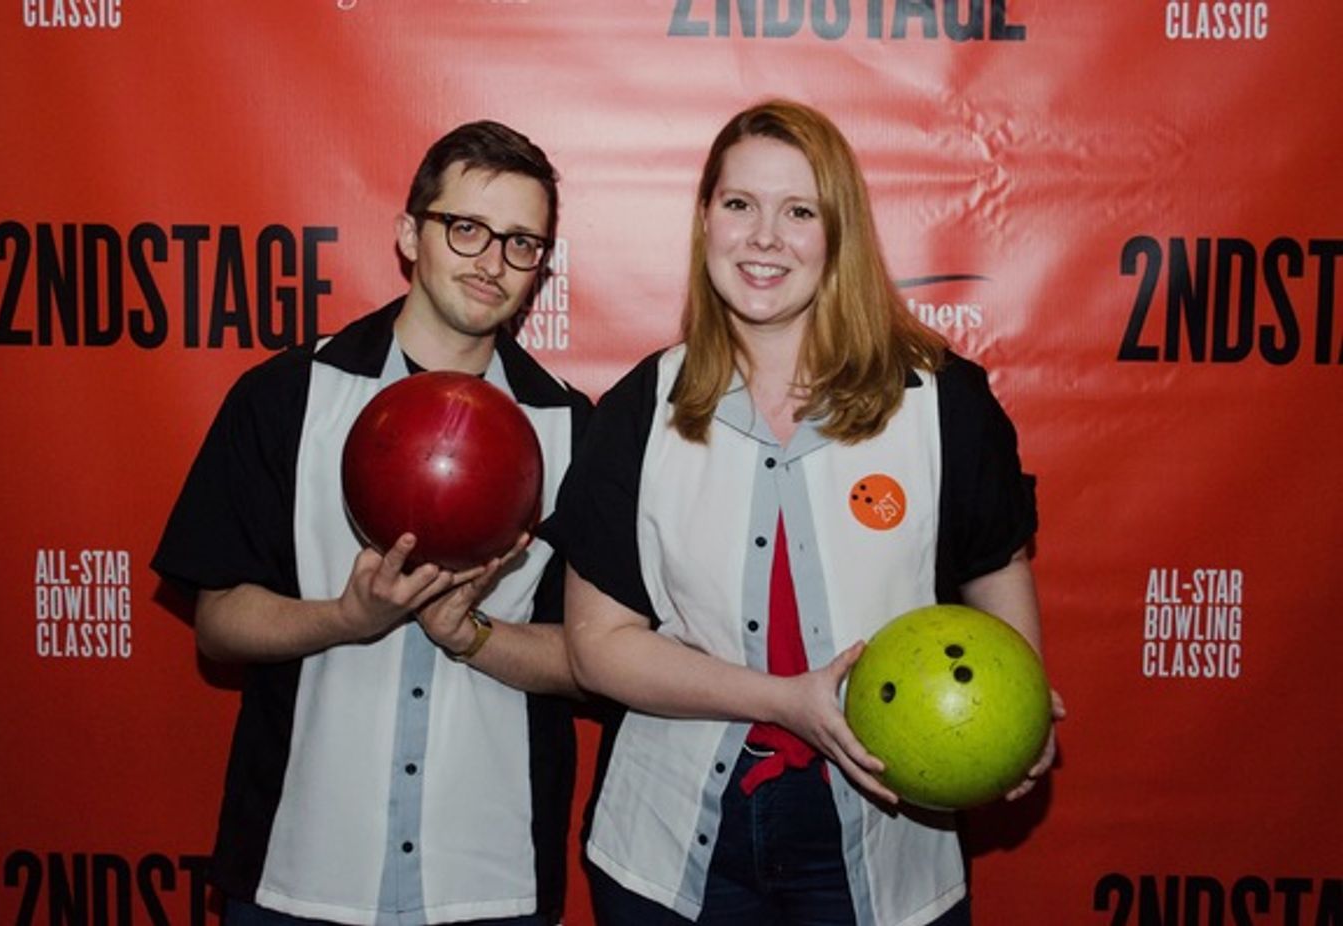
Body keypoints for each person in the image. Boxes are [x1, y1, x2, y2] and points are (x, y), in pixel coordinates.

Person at [552, 100, 1065, 925]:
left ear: (840, 234)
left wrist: (1021, 707)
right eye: (739, 205)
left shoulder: (943, 402)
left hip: (885, 839)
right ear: (704, 221)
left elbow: (994, 571)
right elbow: (597, 646)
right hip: (672, 846)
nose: (764, 237)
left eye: (800, 211)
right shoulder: (636, 411)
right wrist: (782, 700)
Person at [152, 121, 591, 925]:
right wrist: (346, 619)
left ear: (540, 269)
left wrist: (475, 637)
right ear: (407, 234)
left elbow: (592, 657)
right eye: (466, 228)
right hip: (298, 874)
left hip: (487, 883)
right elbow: (217, 625)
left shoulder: (573, 428)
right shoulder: (284, 397)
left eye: (522, 243)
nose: (492, 262)